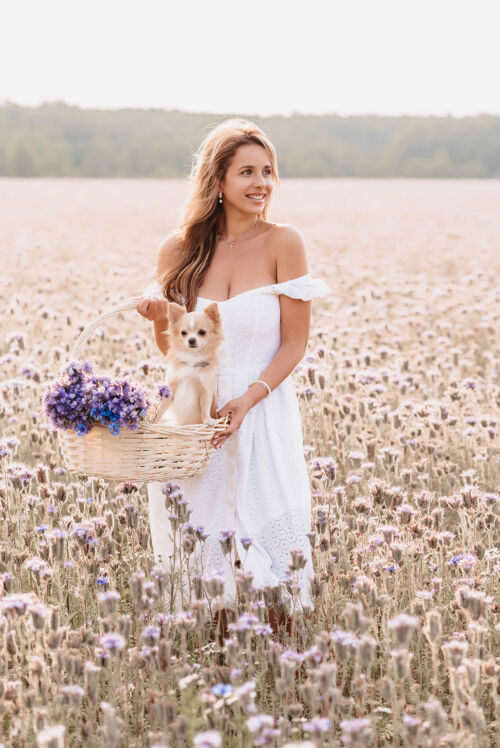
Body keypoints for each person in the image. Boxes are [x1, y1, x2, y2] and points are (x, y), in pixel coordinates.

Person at [137, 117, 331, 639]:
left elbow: (294, 342)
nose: (261, 183)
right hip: (197, 416)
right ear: (216, 180)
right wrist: (161, 318)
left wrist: (249, 398)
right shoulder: (178, 250)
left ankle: (282, 676)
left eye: (268, 171)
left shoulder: (283, 242)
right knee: (206, 549)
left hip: (262, 410)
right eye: (246, 171)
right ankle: (216, 663)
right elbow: (178, 352)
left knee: (272, 558)